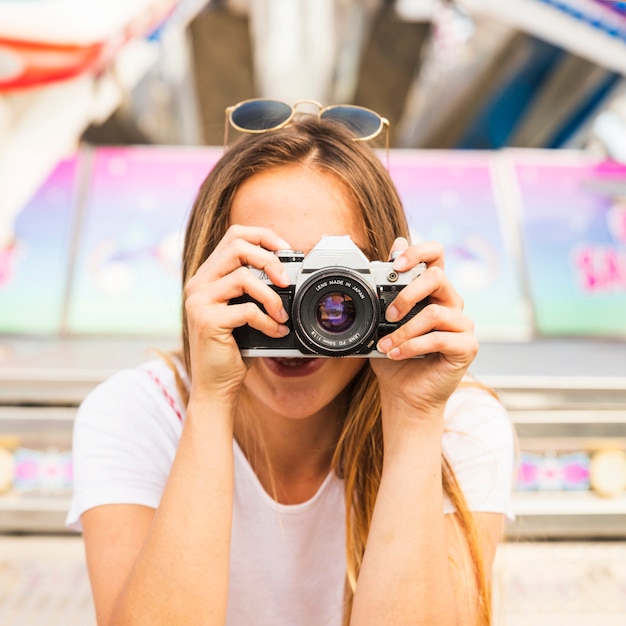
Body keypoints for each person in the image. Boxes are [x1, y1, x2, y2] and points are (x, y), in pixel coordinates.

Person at [67, 101, 515, 626]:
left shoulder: (458, 426)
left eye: (339, 285)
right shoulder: (137, 414)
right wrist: (212, 399)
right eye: (269, 276)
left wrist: (413, 419)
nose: (304, 314)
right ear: (205, 275)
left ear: (393, 282)